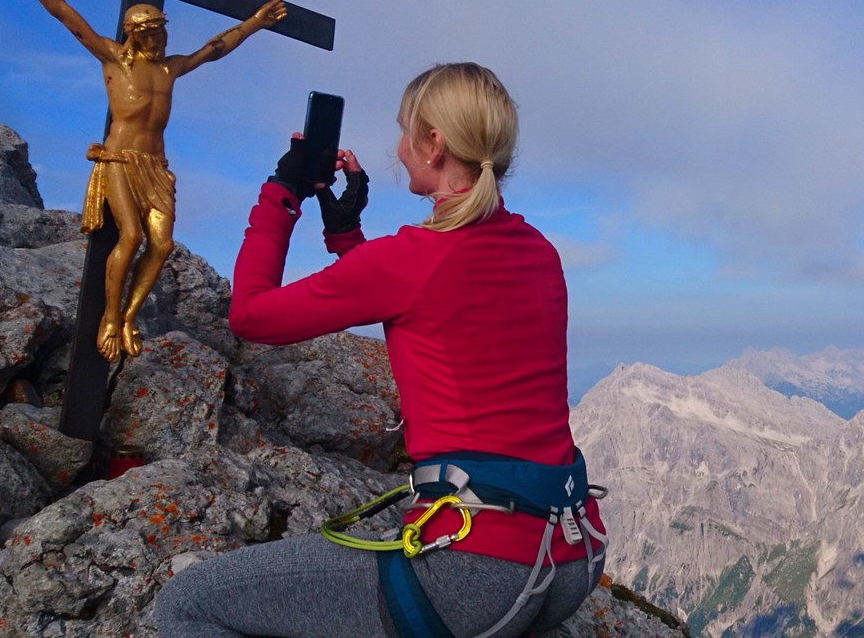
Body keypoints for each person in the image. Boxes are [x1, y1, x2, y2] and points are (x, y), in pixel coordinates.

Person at [153, 63, 606, 638]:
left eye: (405, 130)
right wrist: (346, 236)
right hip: (571, 554)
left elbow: (250, 314)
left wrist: (282, 194)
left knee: (189, 602)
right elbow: (440, 313)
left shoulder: (410, 259)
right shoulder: (538, 249)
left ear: (434, 143)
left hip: (477, 567)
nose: (398, 146)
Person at [0, 0, 289, 361]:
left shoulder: (170, 68)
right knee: (129, 237)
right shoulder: (112, 61)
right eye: (152, 33)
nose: (160, 39)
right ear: (135, 35)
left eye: (162, 32)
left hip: (155, 166)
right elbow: (60, 8)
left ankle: (128, 317)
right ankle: (110, 317)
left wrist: (255, 23)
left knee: (161, 245)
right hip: (121, 160)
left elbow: (215, 48)